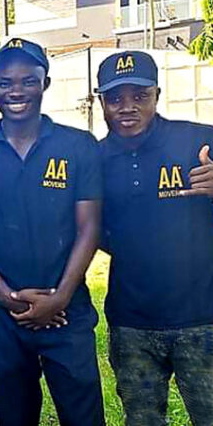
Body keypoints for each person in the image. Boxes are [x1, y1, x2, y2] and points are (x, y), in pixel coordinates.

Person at [0, 38, 105, 425]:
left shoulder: (78, 146)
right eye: (6, 82)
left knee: (84, 416)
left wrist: (61, 296)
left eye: (28, 81)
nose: (17, 91)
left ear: (45, 83)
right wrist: (6, 297)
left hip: (67, 312)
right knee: (14, 416)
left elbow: (90, 227)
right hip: (3, 317)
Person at [96, 50, 213, 425]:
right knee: (142, 419)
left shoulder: (199, 142)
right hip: (132, 324)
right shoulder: (93, 159)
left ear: (157, 95)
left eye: (139, 96)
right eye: (115, 98)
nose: (127, 107)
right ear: (101, 101)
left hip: (203, 319)